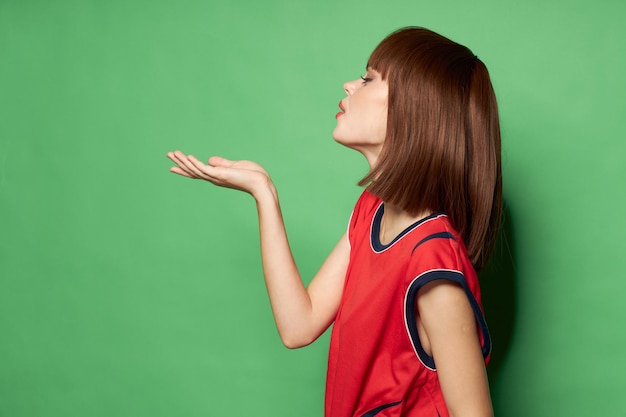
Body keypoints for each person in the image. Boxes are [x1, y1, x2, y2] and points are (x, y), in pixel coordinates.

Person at [167, 26, 501, 417]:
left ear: (414, 108)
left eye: (368, 78)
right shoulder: (370, 210)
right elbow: (298, 325)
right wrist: (264, 193)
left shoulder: (433, 264)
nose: (348, 85)